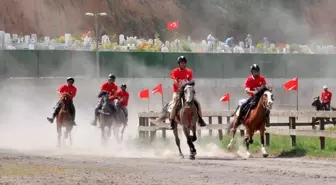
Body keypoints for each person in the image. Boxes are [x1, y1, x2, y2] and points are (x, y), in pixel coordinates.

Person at [155, 56, 206, 129]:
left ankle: (200, 120)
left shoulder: (189, 72)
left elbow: (190, 81)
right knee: (175, 104)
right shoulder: (175, 71)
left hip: (187, 93)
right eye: (181, 63)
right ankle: (172, 122)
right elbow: (174, 78)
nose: (183, 64)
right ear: (179, 64)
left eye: (184, 62)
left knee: (197, 103)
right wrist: (178, 81)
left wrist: (189, 84)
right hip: (177, 92)